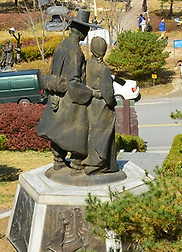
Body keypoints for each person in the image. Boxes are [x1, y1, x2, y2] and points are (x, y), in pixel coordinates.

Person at [35, 10, 96, 172]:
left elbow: (52, 70)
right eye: (86, 31)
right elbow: (74, 82)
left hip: (56, 97)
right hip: (70, 99)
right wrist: (89, 93)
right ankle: (77, 164)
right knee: (77, 131)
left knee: (58, 130)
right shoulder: (76, 52)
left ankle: (58, 161)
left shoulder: (61, 45)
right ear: (82, 32)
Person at [83, 36, 119, 175]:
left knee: (92, 133)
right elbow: (108, 93)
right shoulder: (103, 69)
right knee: (103, 135)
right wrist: (113, 102)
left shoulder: (87, 64)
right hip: (102, 106)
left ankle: (91, 161)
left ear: (92, 50)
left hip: (90, 103)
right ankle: (99, 164)